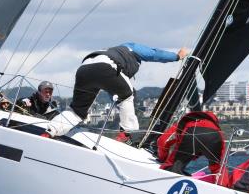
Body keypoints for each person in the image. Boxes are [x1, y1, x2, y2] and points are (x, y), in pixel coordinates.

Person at [44, 42, 189, 142]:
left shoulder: (112, 51)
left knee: (77, 111)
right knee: (128, 96)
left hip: (84, 68)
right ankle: (128, 135)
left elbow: (113, 90)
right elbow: (154, 54)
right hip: (106, 66)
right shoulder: (130, 47)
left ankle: (50, 131)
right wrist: (177, 56)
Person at [157, 111, 226, 176]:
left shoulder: (189, 120)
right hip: (215, 136)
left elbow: (163, 141)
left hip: (191, 130)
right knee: (218, 169)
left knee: (173, 165)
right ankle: (222, 186)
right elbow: (222, 157)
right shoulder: (217, 130)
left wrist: (162, 158)